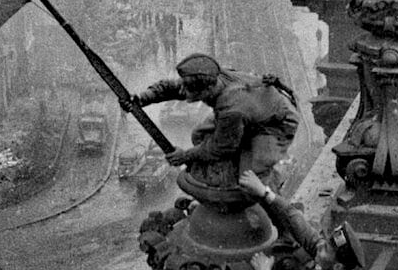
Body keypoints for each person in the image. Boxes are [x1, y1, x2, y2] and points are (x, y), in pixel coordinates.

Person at [124, 53, 300, 188]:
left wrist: (185, 155)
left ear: (207, 89)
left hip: (277, 123)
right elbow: (172, 87)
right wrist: (141, 99)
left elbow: (221, 146)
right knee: (200, 134)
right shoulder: (214, 78)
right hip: (255, 108)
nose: (183, 92)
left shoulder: (231, 109)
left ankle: (272, 190)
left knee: (249, 181)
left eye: (190, 90)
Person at [239, 170, 364, 270]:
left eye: (325, 249)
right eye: (324, 243)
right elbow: (298, 222)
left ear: (338, 267)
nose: (320, 245)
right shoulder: (329, 265)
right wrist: (265, 192)